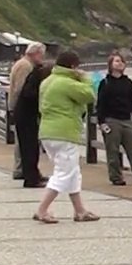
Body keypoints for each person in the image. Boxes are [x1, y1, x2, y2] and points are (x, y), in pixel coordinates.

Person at [33, 51, 99, 224]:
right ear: (72, 66)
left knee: (72, 172)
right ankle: (42, 210)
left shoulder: (47, 81)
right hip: (65, 132)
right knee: (64, 173)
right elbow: (89, 95)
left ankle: (80, 210)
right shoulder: (67, 83)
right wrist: (85, 78)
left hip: (47, 131)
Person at [96, 52, 132, 186]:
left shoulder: (128, 83)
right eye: (116, 61)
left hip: (127, 120)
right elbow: (100, 104)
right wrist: (101, 122)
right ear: (110, 65)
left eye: (122, 61)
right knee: (113, 151)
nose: (120, 63)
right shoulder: (105, 83)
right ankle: (116, 177)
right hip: (111, 120)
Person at [7, 43, 44, 180]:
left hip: (18, 108)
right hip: (22, 109)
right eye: (41, 54)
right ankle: (20, 169)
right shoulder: (25, 66)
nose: (42, 57)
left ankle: (23, 169)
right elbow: (20, 89)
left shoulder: (21, 64)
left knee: (23, 141)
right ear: (35, 53)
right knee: (25, 142)